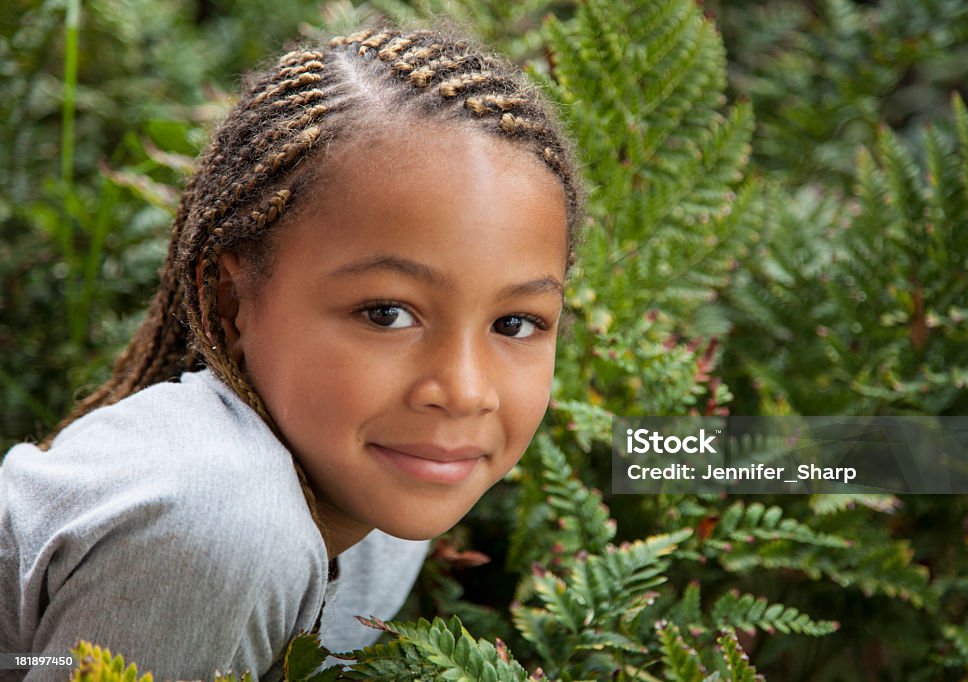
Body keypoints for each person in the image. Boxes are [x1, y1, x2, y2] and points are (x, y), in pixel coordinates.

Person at [0, 25, 584, 681]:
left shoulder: (384, 494)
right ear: (230, 300)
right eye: (387, 314)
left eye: (515, 322)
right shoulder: (220, 530)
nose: (463, 389)